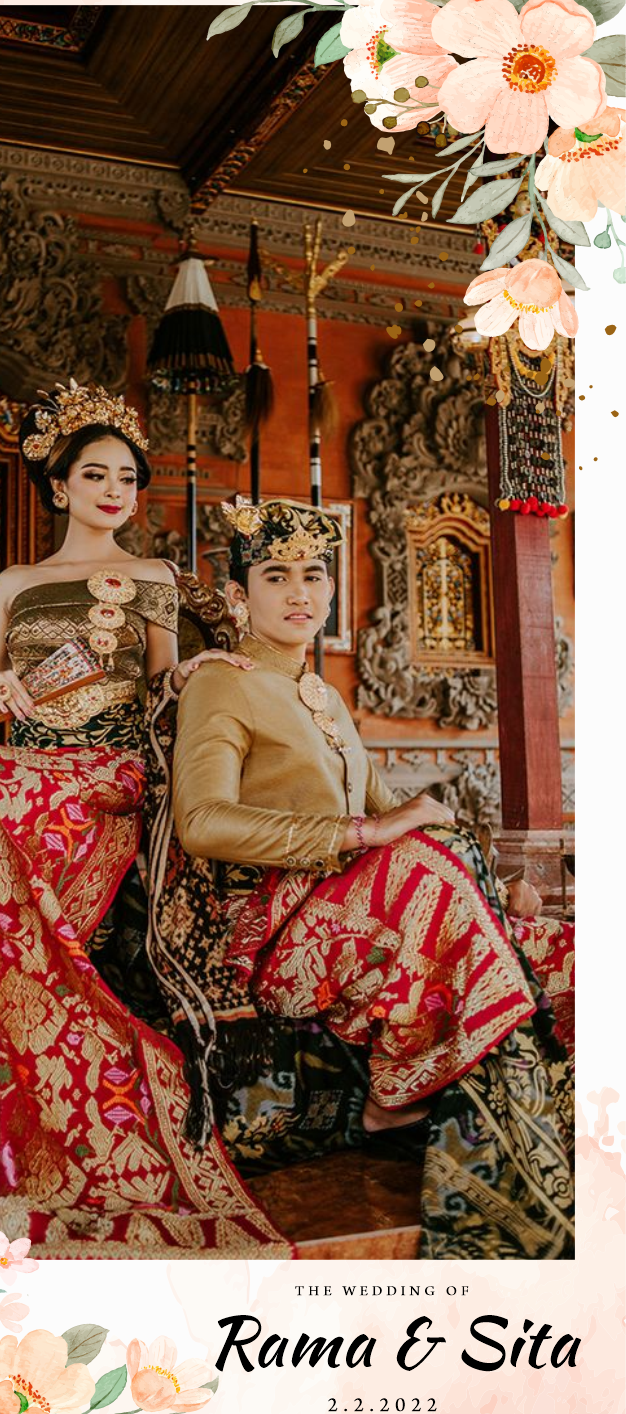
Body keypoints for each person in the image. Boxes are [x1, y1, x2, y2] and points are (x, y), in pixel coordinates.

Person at [0, 384, 288, 1260]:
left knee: (17, 794)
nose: (114, 491)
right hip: (27, 761)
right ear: (61, 485)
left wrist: (201, 670)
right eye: (95, 475)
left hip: (107, 770)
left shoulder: (151, 577)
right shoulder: (17, 582)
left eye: (127, 478)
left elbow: (161, 682)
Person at [151, 497, 575, 1257]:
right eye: (276, 576)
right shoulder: (222, 683)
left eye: (314, 575)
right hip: (273, 927)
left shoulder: (324, 696)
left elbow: (398, 813)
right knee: (419, 866)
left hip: (360, 904)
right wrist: (359, 835)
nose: (300, 593)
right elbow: (202, 822)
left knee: (552, 939)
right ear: (239, 595)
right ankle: (393, 1090)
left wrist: (488, 880)